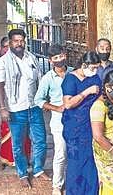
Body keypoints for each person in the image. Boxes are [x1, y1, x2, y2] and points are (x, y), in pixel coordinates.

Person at [0, 29, 49, 189]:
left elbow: (39, 80)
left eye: (21, 40)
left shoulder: (31, 58)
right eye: (15, 41)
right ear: (10, 43)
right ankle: (22, 173)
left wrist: (43, 100)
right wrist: (3, 108)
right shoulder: (1, 63)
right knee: (18, 144)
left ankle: (38, 169)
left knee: (40, 141)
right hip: (16, 109)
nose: (19, 44)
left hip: (34, 106)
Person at [34, 44, 73, 195]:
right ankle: (57, 185)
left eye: (61, 56)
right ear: (50, 61)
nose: (59, 60)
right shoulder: (48, 78)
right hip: (58, 119)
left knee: (75, 152)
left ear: (65, 55)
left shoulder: (73, 73)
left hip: (74, 118)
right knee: (61, 152)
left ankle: (73, 181)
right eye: (55, 58)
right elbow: (38, 100)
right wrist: (56, 108)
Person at [61, 51, 101, 195]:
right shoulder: (70, 79)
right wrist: (86, 92)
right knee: (76, 163)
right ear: (84, 65)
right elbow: (68, 104)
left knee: (90, 162)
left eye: (97, 68)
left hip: (91, 125)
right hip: (75, 128)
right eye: (92, 68)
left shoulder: (95, 78)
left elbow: (100, 96)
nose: (95, 71)